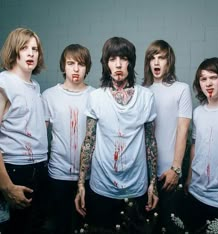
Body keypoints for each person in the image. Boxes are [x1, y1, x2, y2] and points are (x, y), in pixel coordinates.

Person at [74, 37, 158, 232]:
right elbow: (89, 141)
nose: (118, 64)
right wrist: (81, 184)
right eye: (112, 59)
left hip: (136, 187)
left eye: (123, 58)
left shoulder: (146, 97)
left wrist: (152, 184)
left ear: (131, 62)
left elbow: (150, 143)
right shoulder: (95, 97)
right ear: (106, 64)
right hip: (101, 186)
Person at [42, 44, 95, 234]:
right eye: (70, 63)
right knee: (61, 225)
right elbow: (41, 135)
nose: (75, 69)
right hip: (58, 174)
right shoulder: (49, 96)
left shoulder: (95, 96)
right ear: (63, 66)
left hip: (90, 176)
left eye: (81, 64)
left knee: (85, 226)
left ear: (87, 68)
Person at [0, 28, 48, 234]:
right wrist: (6, 186)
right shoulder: (4, 83)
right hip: (14, 170)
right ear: (14, 51)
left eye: (35, 49)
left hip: (39, 169)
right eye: (24, 48)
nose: (31, 53)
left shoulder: (35, 86)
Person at [143, 40, 192, 233]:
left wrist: (176, 168)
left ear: (169, 61)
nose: (156, 62)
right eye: (152, 58)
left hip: (169, 172)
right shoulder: (142, 91)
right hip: (144, 174)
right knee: (146, 226)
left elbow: (183, 130)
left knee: (171, 226)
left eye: (161, 58)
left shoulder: (181, 88)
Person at [184, 57, 218, 232]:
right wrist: (189, 178)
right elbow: (194, 147)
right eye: (203, 78)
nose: (208, 83)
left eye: (213, 77)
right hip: (196, 194)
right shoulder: (198, 112)